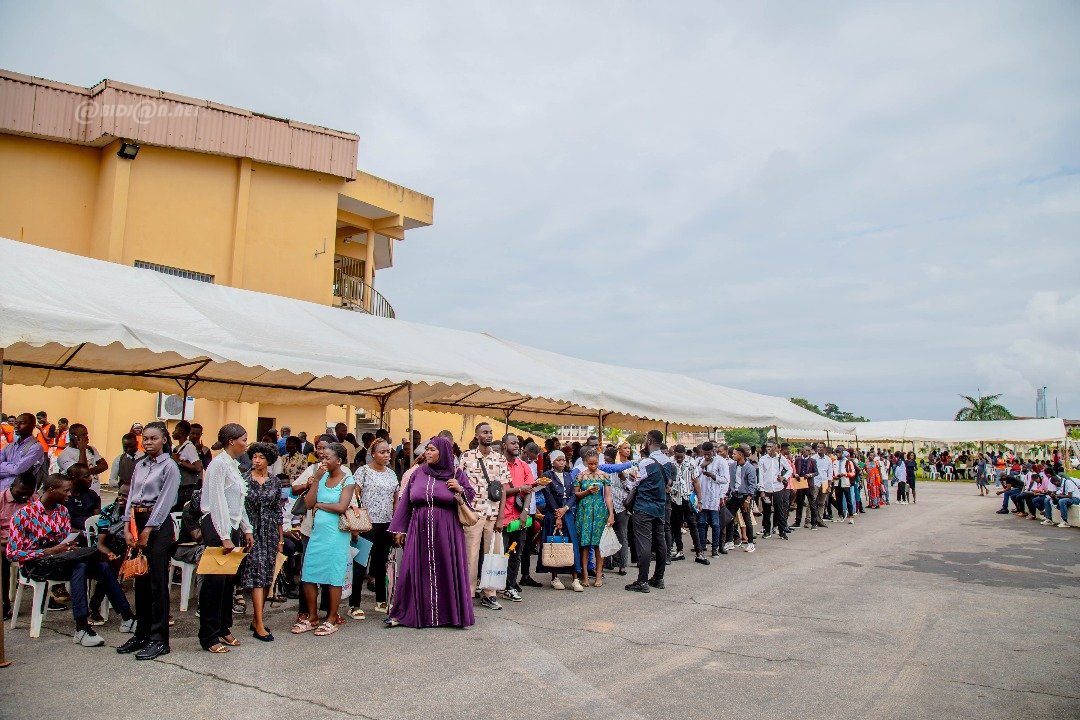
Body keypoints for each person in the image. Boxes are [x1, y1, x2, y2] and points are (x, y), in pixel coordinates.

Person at [7, 474, 135, 647]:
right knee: (80, 566)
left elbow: (63, 542)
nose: (69, 494)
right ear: (52, 490)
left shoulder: (62, 511)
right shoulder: (23, 515)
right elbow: (12, 553)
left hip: (60, 561)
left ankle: (127, 618)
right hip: (36, 566)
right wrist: (47, 551)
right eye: (66, 490)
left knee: (103, 566)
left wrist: (69, 547)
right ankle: (81, 628)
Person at [386, 436, 476, 629]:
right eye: (427, 449)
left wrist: (460, 490)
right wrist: (400, 530)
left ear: (443, 453)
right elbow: (406, 503)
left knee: (446, 568)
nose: (427, 452)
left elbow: (470, 497)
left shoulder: (457, 474)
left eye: (432, 449)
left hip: (447, 529)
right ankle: (405, 614)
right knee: (413, 569)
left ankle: (450, 615)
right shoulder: (417, 473)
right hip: (419, 528)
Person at [116, 422, 179, 660]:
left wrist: (148, 531)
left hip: (158, 526)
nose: (149, 442)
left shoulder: (170, 466)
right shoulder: (139, 464)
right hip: (136, 521)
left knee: (156, 582)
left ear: (164, 440)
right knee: (140, 581)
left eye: (154, 438)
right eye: (146, 438)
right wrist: (126, 527)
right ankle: (141, 633)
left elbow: (164, 501)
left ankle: (159, 638)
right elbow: (131, 496)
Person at [198, 423, 252, 653]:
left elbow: (237, 502)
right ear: (231, 441)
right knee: (214, 584)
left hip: (231, 527)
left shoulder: (233, 466)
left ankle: (223, 627)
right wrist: (224, 536)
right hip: (217, 528)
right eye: (243, 440)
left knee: (228, 583)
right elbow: (218, 502)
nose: (246, 444)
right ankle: (208, 635)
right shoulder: (218, 465)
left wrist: (246, 528)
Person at [292, 442, 355, 637]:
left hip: (336, 534)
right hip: (317, 533)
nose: (323, 460)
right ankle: (312, 617)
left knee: (334, 576)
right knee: (309, 573)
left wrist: (321, 504)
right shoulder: (321, 476)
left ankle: (331, 618)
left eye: (328, 458)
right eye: (322, 457)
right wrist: (316, 481)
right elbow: (309, 504)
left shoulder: (348, 479)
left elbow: (342, 507)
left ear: (339, 460)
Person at [458, 422, 512, 611]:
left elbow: (504, 489)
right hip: (473, 513)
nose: (488, 435)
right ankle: (468, 592)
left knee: (493, 554)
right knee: (470, 554)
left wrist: (500, 517)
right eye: (484, 432)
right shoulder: (466, 457)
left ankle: (490, 594)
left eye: (490, 432)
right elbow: (458, 484)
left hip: (493, 514)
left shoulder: (500, 459)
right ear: (477, 435)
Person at [349, 438, 399, 617]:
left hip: (386, 524)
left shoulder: (391, 474)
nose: (386, 455)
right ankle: (354, 604)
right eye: (382, 452)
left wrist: (396, 524)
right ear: (372, 453)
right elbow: (354, 498)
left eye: (388, 452)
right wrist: (355, 525)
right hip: (366, 525)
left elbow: (395, 500)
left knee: (380, 564)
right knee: (360, 564)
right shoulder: (363, 472)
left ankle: (381, 600)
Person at [240, 442, 282, 642]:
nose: (256, 461)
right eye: (254, 457)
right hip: (251, 530)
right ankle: (258, 623)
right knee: (257, 573)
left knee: (267, 575)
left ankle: (258, 617)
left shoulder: (275, 482)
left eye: (261, 457)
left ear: (269, 460)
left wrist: (280, 537)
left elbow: (277, 510)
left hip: (270, 530)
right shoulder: (244, 479)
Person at [625, 430, 670, 593]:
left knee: (644, 544)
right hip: (660, 507)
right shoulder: (668, 461)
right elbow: (668, 483)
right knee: (661, 543)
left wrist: (630, 480)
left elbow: (635, 483)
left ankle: (642, 581)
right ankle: (658, 578)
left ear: (649, 440)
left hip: (644, 507)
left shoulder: (645, 463)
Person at [498, 433, 538, 603]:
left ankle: (510, 586)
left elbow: (529, 490)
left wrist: (525, 512)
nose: (516, 446)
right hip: (502, 518)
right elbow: (498, 491)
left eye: (518, 443)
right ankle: (493, 585)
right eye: (512, 443)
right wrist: (519, 488)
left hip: (519, 519)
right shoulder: (498, 465)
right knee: (501, 553)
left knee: (515, 552)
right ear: (504, 445)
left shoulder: (524, 466)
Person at [536, 450, 583, 591]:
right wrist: (558, 513)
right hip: (552, 513)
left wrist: (566, 508)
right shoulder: (547, 476)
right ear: (552, 462)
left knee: (572, 543)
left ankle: (575, 578)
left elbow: (574, 494)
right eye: (558, 460)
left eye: (563, 460)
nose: (562, 462)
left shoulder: (569, 476)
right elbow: (548, 495)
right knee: (554, 543)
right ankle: (555, 577)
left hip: (567, 513)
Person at [574, 448, 613, 587]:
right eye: (590, 464)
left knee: (598, 546)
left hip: (599, 511)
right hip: (584, 511)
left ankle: (598, 575)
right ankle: (584, 575)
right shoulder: (581, 476)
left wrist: (611, 514)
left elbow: (608, 496)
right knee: (584, 545)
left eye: (595, 463)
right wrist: (587, 491)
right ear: (585, 463)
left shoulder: (604, 476)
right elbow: (576, 495)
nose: (593, 466)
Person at [1, 472, 37, 620]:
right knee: (2, 557)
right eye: (21, 493)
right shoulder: (1, 500)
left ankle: (48, 596)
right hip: (5, 542)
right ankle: (4, 603)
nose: (24, 497)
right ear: (12, 487)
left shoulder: (34, 500)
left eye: (28, 494)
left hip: (28, 543)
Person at [668, 444, 702, 563]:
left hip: (687, 498)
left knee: (693, 524)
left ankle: (699, 553)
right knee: (676, 525)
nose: (679, 459)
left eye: (681, 457)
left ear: (684, 454)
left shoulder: (691, 462)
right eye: (677, 456)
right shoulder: (670, 462)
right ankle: (679, 551)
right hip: (674, 498)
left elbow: (696, 481)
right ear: (674, 454)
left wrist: (700, 500)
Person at [696, 442, 727, 560]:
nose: (707, 456)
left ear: (713, 452)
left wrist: (713, 476)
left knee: (715, 523)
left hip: (715, 496)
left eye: (709, 454)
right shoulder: (700, 461)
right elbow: (694, 476)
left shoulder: (721, 461)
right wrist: (702, 465)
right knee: (701, 523)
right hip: (702, 496)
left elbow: (725, 480)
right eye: (705, 454)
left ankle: (715, 548)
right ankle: (702, 547)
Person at [56, 423, 108, 493]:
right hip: (79, 494)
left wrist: (88, 472)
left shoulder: (91, 449)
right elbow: (80, 472)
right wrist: (82, 450)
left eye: (86, 434)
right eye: (83, 435)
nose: (86, 437)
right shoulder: (64, 455)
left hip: (94, 492)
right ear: (72, 436)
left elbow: (104, 466)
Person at [0, 413, 45, 492]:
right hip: (3, 490)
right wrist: (12, 468)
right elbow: (16, 469)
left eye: (22, 423)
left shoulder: (36, 447)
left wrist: (2, 464)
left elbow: (18, 470)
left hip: (21, 493)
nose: (17, 426)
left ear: (33, 426)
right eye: (16, 423)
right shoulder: (9, 446)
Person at [729, 446, 759, 552]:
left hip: (745, 497)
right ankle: (730, 542)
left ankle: (750, 544)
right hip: (734, 496)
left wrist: (748, 499)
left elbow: (752, 485)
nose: (732, 455)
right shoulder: (732, 466)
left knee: (747, 520)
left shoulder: (749, 468)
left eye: (734, 454)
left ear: (741, 455)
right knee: (729, 518)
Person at [759, 441, 790, 540]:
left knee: (779, 510)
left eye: (770, 446)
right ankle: (767, 531)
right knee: (766, 510)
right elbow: (760, 475)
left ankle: (782, 531)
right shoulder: (763, 459)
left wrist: (784, 477)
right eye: (767, 446)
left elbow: (790, 469)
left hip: (778, 488)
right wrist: (762, 490)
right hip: (767, 488)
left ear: (775, 447)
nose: (768, 448)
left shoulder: (780, 458)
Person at [170, 420, 203, 511]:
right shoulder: (181, 447)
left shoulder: (189, 447)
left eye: (175, 430)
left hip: (187, 489)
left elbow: (197, 467)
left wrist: (178, 461)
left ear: (181, 432)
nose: (173, 433)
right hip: (181, 487)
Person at [63, 462, 101, 537]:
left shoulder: (92, 495)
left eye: (90, 475)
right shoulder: (64, 497)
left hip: (91, 533)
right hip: (70, 536)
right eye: (86, 477)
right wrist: (82, 533)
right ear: (74, 479)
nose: (90, 479)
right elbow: (62, 525)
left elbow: (97, 519)